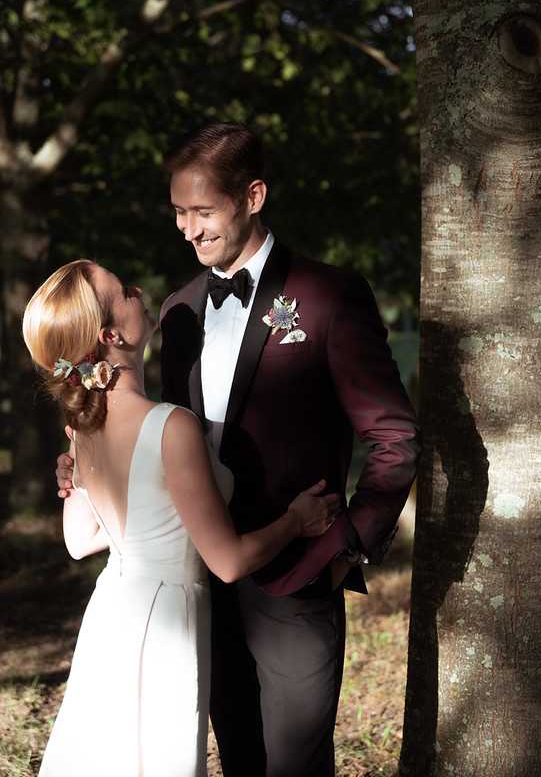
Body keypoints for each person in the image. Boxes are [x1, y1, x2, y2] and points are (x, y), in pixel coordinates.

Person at [57, 121, 420, 777]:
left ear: (252, 196)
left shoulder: (327, 296)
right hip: (194, 585)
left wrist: (343, 548)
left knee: (295, 766)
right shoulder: (177, 312)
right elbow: (158, 438)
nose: (188, 230)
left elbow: (393, 438)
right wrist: (90, 471)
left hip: (295, 579)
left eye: (202, 211)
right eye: (177, 213)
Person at [25, 258, 339, 777]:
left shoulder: (82, 423)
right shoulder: (172, 426)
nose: (139, 289)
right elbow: (229, 562)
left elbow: (81, 541)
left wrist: (77, 480)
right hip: (165, 626)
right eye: (124, 290)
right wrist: (297, 521)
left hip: (114, 612)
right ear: (110, 334)